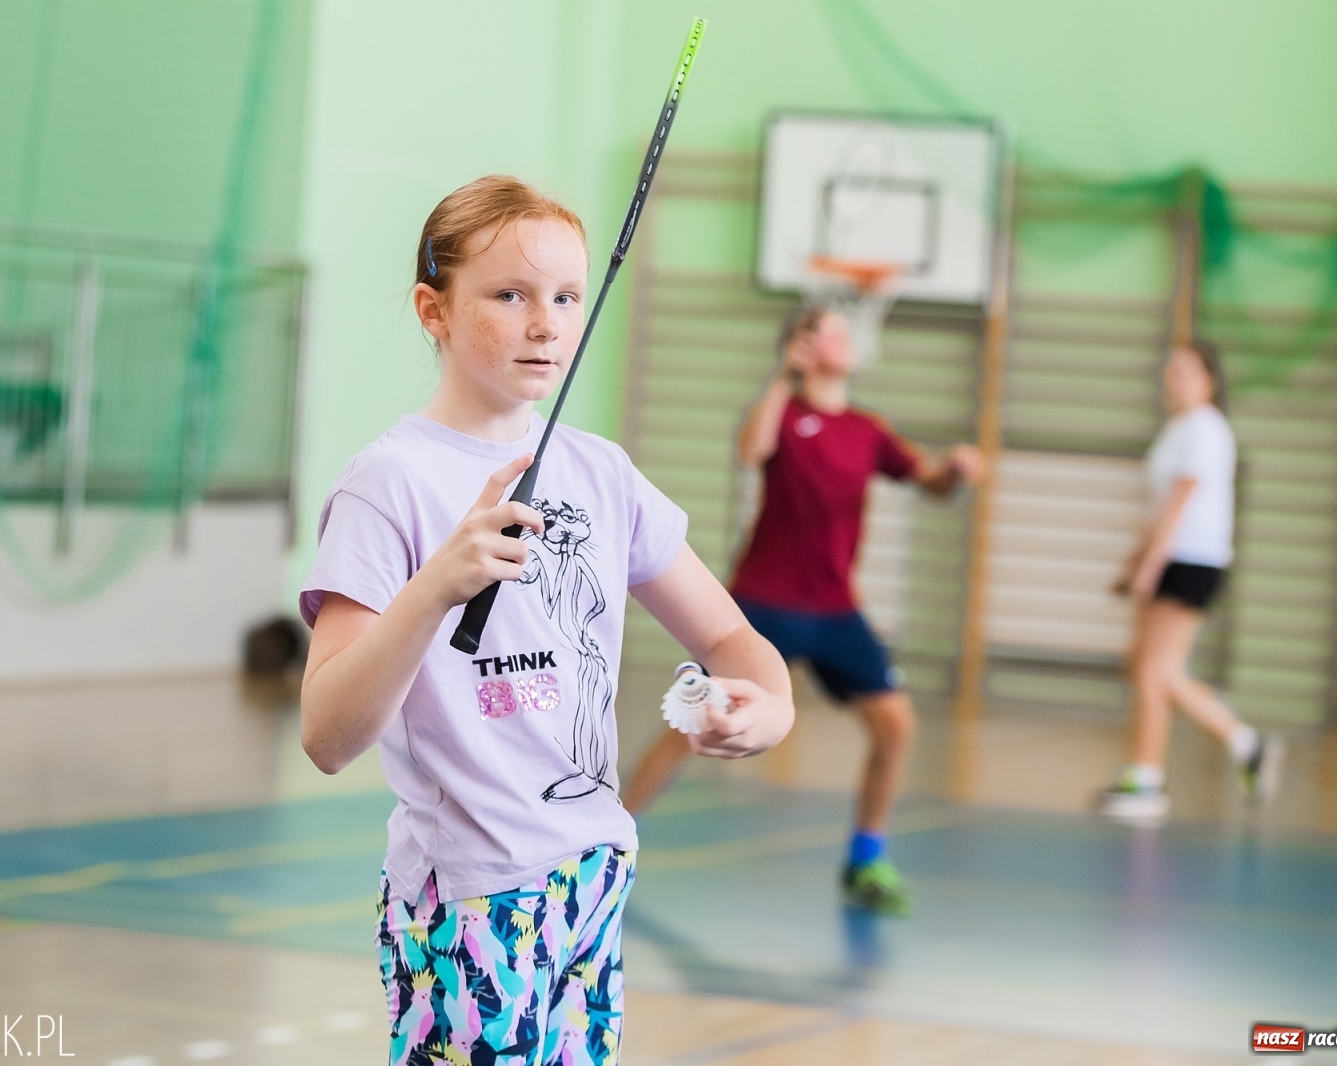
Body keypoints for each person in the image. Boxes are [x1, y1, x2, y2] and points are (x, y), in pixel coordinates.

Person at [298, 176, 794, 1065]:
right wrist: (435, 586)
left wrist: (767, 709)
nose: (546, 323)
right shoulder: (390, 482)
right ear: (433, 309)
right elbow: (328, 734)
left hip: (593, 869)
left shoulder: (601, 472)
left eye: (566, 296)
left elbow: (731, 640)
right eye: (509, 295)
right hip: (472, 894)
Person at [621, 304, 984, 915]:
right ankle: (612, 839)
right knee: (692, 726)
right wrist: (782, 376)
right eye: (828, 328)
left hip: (837, 607)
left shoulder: (868, 430)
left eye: (843, 329)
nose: (842, 337)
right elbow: (750, 450)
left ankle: (867, 856)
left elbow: (931, 483)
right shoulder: (783, 413)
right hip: (763, 604)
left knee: (895, 725)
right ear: (801, 345)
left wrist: (956, 471)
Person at [1098, 338, 1283, 823]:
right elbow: (1158, 507)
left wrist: (1149, 566)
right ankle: (1246, 744)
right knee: (1154, 669)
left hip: (1191, 560)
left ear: (1209, 380)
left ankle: (1148, 781)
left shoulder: (1205, 429)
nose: (1173, 377)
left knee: (1152, 673)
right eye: (1171, 369)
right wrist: (1133, 562)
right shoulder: (1177, 429)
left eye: (1185, 370)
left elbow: (1181, 503)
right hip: (1169, 556)